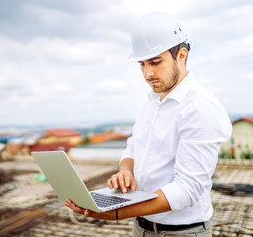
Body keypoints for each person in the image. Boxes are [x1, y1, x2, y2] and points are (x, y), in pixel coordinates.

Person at [65, 12, 232, 236]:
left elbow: (187, 190)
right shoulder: (152, 101)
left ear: (181, 55)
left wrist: (116, 213)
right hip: (141, 228)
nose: (147, 73)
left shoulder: (199, 107)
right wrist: (126, 172)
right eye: (142, 64)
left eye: (155, 62)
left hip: (182, 232)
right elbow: (132, 149)